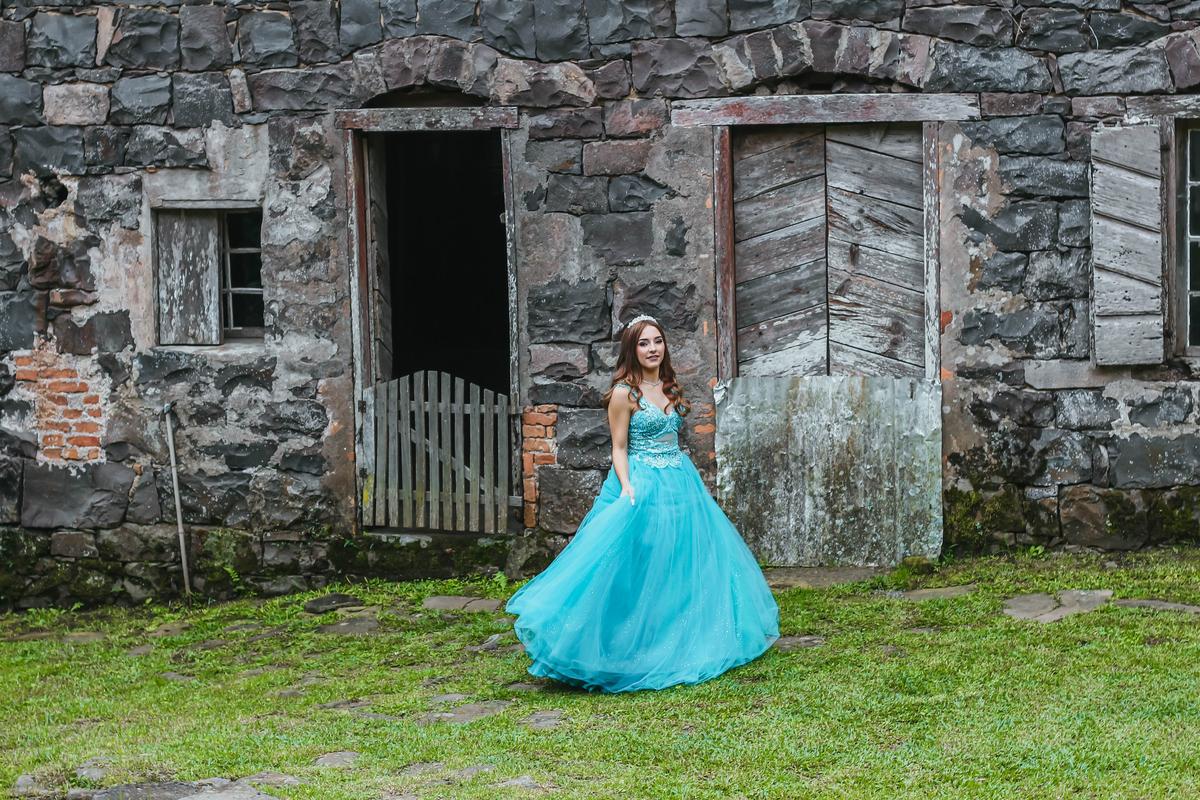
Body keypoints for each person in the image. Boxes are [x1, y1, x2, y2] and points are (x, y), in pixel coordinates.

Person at [506, 315, 780, 693]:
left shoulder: (670, 386)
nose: (653, 349)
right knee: (636, 562)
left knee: (683, 559)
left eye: (657, 341)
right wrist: (627, 486)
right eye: (643, 343)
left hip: (679, 480)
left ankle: (678, 637)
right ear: (631, 350)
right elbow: (618, 448)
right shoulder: (624, 393)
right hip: (643, 481)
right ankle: (623, 642)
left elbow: (673, 438)